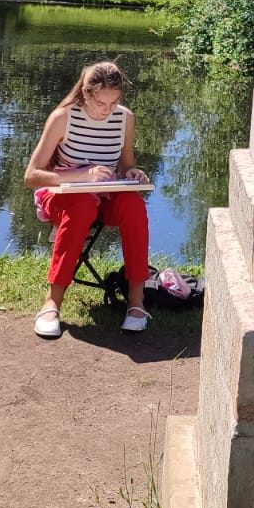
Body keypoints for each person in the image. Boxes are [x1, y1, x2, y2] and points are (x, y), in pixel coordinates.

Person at [23, 60, 151, 338]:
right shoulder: (63, 117)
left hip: (104, 196)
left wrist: (134, 173)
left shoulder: (124, 118)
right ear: (86, 92)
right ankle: (52, 303)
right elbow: (32, 175)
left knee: (133, 205)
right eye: (101, 104)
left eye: (114, 103)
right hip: (62, 197)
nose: (107, 110)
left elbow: (126, 165)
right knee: (81, 207)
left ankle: (136, 303)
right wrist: (82, 176)